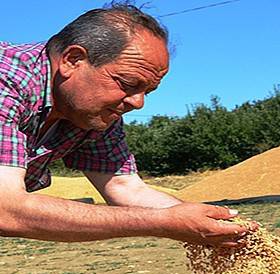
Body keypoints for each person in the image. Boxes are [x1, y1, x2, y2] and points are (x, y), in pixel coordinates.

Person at [0, 3, 257, 248]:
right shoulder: (7, 79)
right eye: (128, 83)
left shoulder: (93, 113)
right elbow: (6, 208)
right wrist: (163, 223)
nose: (138, 103)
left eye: (148, 91)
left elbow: (126, 188)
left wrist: (221, 226)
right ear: (73, 60)